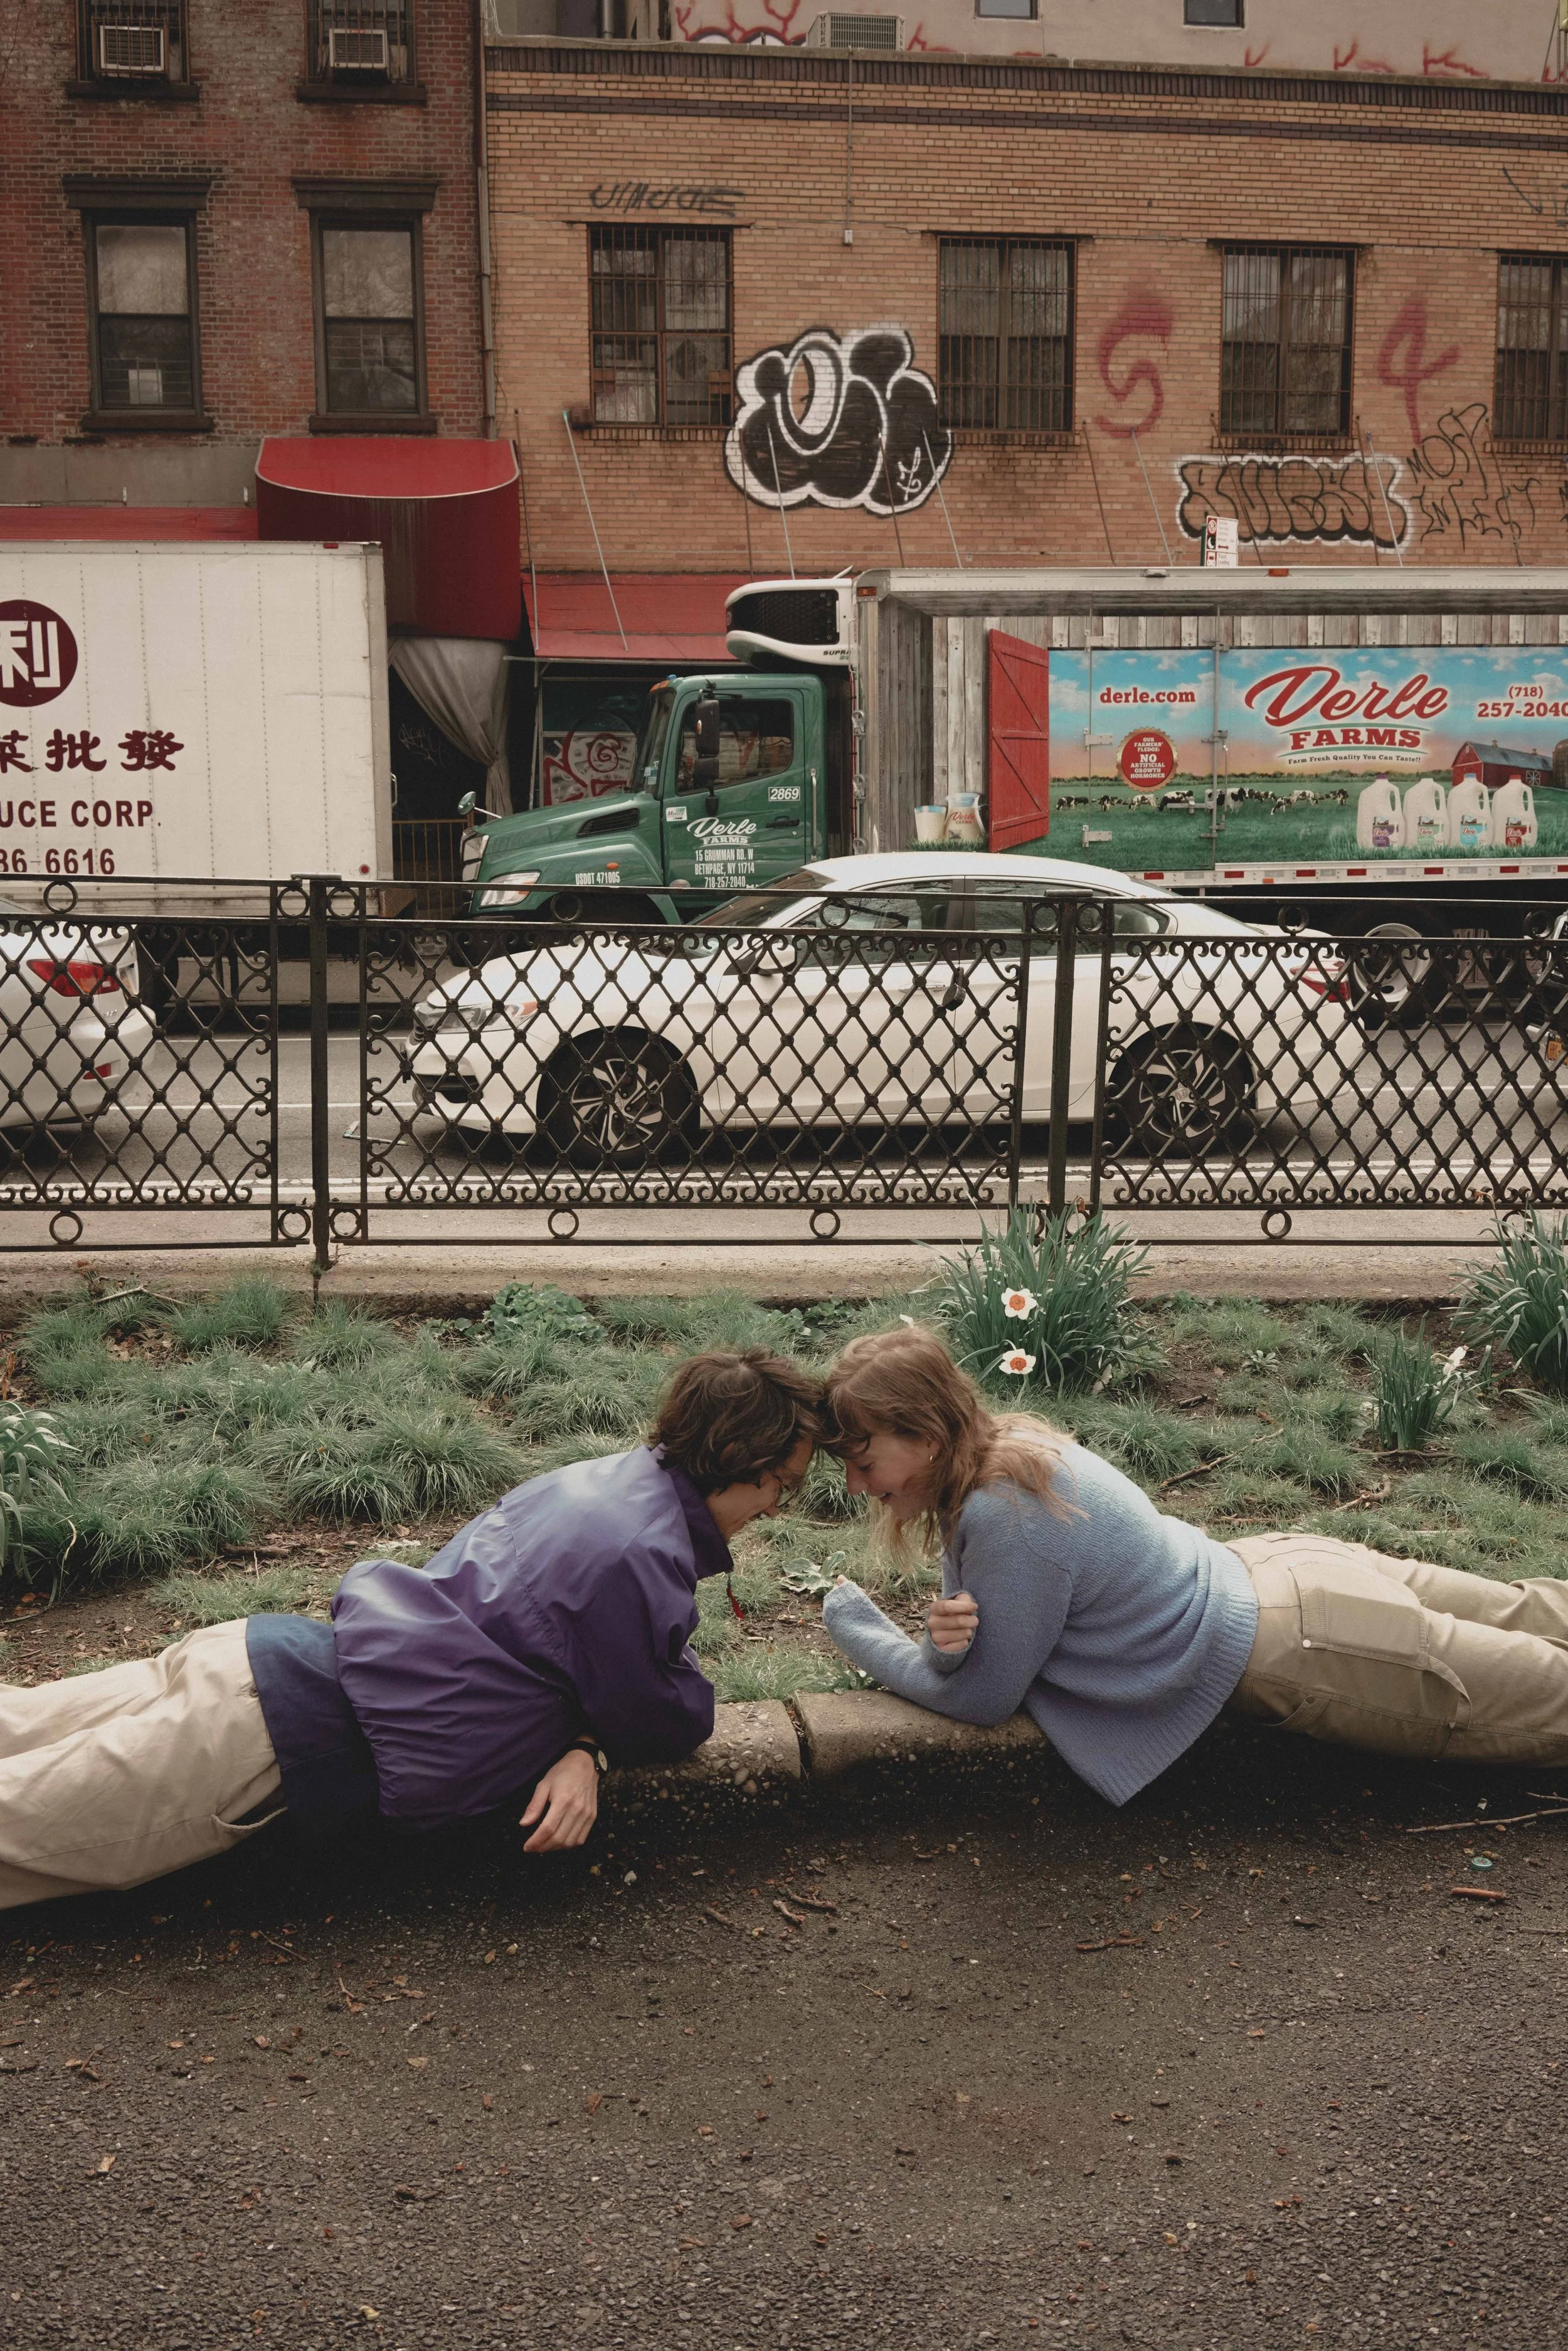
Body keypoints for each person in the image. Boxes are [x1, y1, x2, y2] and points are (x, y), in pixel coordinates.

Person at [0, 1347, 822, 1910]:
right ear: (737, 1460)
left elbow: (540, 1653)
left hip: (259, 1659)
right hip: (263, 1746)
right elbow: (671, 1714)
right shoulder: (641, 1557)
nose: (778, 1506)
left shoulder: (607, 1484)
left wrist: (580, 1740)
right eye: (780, 1483)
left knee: (16, 1725)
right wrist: (591, 1744)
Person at [819, 1326, 1568, 1800]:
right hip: (1281, 1569)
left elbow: (981, 1697)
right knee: (1536, 1611)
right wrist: (939, 1643)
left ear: (922, 1436)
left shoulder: (1004, 1513)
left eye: (863, 1461)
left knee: (1549, 1703)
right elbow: (971, 1656)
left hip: (1301, 1645)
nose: (856, 1485)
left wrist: (858, 1628)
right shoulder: (1009, 1449)